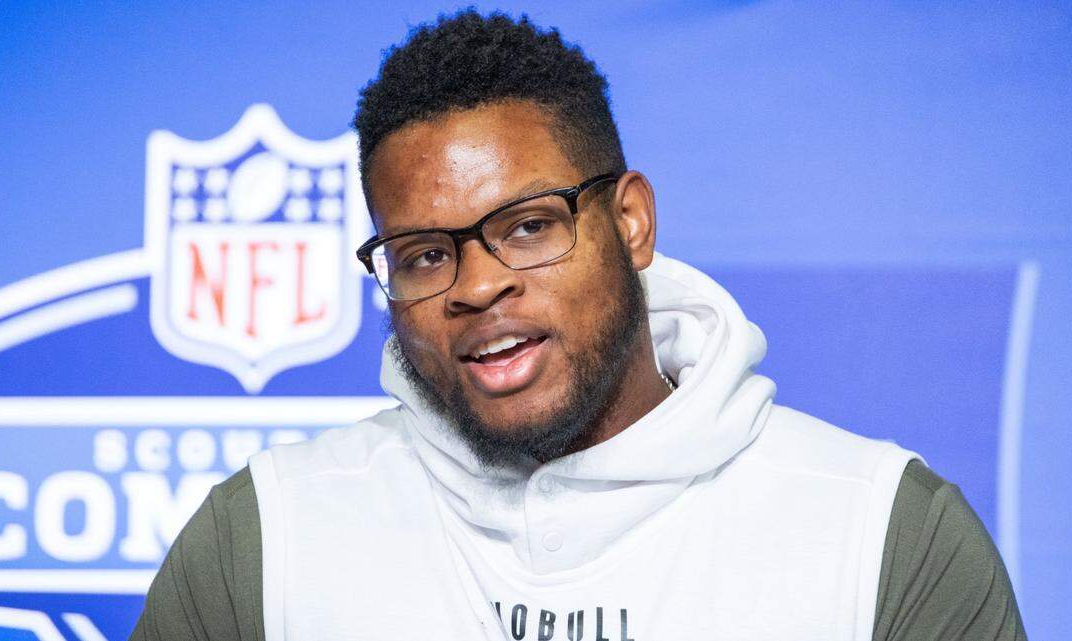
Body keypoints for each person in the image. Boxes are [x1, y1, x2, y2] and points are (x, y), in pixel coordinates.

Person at [130, 10, 1025, 641]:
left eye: (528, 225)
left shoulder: (881, 533)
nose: (476, 287)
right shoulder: (265, 539)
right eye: (425, 254)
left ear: (630, 223)